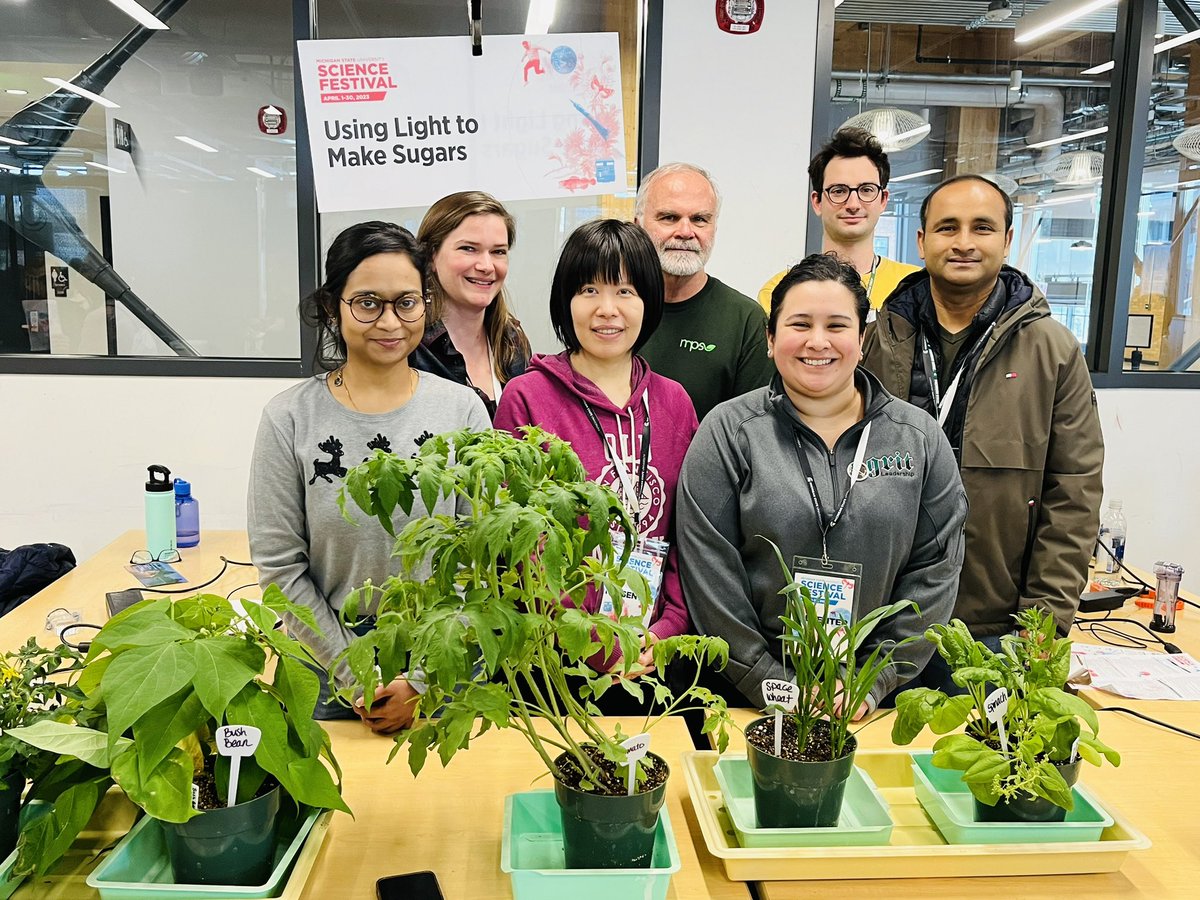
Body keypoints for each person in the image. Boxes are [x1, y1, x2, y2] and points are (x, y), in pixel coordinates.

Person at [677, 253, 967, 712]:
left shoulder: (918, 437)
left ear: (862, 339)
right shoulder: (728, 432)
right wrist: (771, 682)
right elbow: (709, 572)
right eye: (799, 324)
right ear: (771, 339)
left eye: (836, 325)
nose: (817, 341)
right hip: (745, 696)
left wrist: (873, 680)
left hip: (874, 699)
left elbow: (936, 569)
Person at [248, 221, 490, 734]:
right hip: (327, 658)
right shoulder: (289, 418)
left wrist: (421, 680)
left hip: (442, 656)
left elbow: (479, 559)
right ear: (332, 307)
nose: (390, 321)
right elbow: (280, 569)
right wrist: (352, 671)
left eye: (406, 302)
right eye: (367, 303)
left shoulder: (463, 411)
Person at [862, 175, 1104, 680]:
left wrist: (1042, 628)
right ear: (921, 240)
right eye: (947, 227)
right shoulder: (873, 342)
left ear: (1008, 240)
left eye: (983, 227)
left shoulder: (1053, 352)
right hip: (878, 622)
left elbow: (1073, 497)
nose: (964, 242)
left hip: (995, 629)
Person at [494, 219, 697, 702]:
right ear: (566, 300)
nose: (608, 309)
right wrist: (592, 641)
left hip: (653, 655)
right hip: (555, 658)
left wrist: (667, 628)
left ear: (649, 301)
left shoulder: (674, 403)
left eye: (625, 291)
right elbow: (522, 544)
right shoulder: (527, 398)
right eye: (589, 290)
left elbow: (689, 534)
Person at [633, 162, 773, 421]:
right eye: (669, 217)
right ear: (638, 225)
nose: (685, 232)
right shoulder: (614, 311)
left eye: (699, 219)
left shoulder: (745, 320)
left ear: (714, 228)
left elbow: (753, 429)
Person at [757, 127, 920, 314]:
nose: (853, 204)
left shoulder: (915, 286)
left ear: (883, 200)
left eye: (866, 190)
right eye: (839, 191)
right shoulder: (780, 290)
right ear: (817, 202)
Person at [411, 191, 532, 418]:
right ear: (431, 256)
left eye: (498, 252)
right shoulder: (410, 347)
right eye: (468, 248)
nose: (486, 266)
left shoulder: (512, 342)